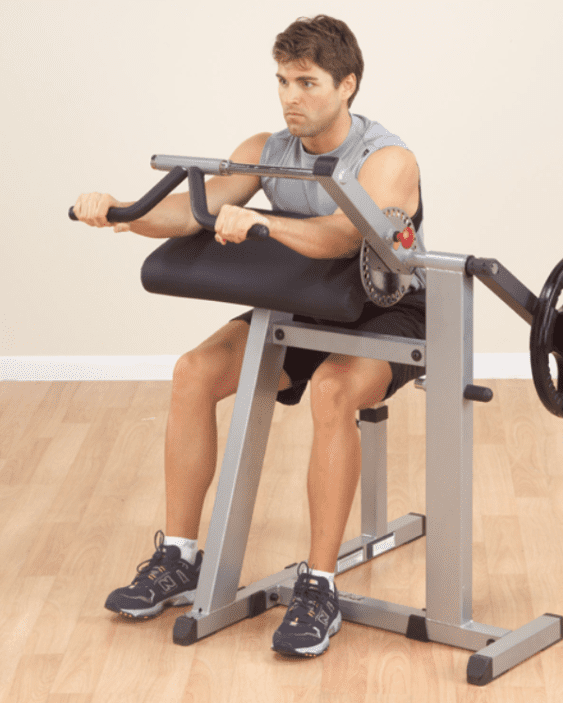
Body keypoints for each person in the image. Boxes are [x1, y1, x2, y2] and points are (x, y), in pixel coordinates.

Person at [72, 15, 426, 658]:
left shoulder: (389, 160)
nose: (291, 96)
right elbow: (193, 213)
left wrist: (263, 223)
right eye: (283, 80)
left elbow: (345, 239)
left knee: (331, 392)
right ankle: (179, 558)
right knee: (193, 372)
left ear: (347, 85)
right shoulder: (267, 147)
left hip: (388, 307)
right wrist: (122, 211)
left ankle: (319, 587)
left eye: (308, 82)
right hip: (305, 299)